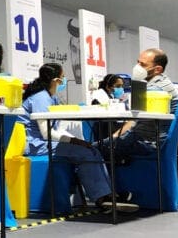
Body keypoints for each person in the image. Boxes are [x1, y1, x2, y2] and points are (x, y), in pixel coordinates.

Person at [19, 63, 138, 212]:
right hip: (35, 145)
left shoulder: (51, 97)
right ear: (56, 80)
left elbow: (56, 129)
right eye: (63, 77)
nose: (64, 80)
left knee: (93, 150)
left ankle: (108, 194)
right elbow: (46, 133)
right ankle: (101, 198)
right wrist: (74, 141)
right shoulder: (41, 98)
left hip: (45, 143)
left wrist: (79, 142)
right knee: (85, 152)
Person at [98, 48, 178, 161]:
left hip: (146, 143)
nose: (137, 67)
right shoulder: (163, 83)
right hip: (153, 140)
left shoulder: (154, 89)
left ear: (157, 69)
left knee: (92, 150)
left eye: (142, 64)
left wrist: (113, 138)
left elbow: (133, 121)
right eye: (138, 62)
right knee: (102, 145)